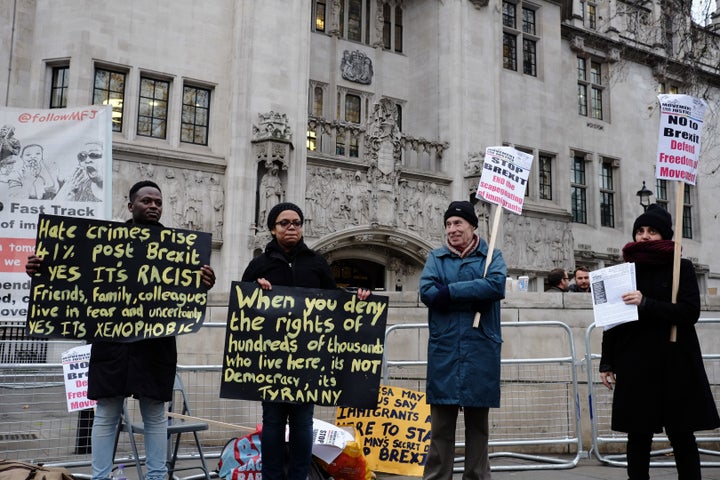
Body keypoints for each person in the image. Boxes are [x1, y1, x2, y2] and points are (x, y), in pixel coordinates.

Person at [25, 180, 217, 480]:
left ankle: (155, 476)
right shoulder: (104, 242)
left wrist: (204, 281)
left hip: (156, 344)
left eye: (158, 202)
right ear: (131, 206)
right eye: (146, 201)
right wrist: (40, 269)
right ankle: (100, 477)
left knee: (155, 414)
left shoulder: (180, 250)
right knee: (106, 413)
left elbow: (189, 294)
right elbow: (71, 270)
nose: (153, 206)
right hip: (112, 342)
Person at [241, 201, 370, 480]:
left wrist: (358, 299)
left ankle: (300, 476)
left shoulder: (317, 263)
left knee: (302, 424)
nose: (291, 228)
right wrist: (254, 289)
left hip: (307, 361)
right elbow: (243, 307)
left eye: (296, 223)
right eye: (284, 223)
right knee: (273, 424)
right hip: (271, 361)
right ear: (272, 229)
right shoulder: (258, 265)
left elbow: (335, 304)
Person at [599, 204, 720, 480]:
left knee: (681, 435)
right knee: (638, 436)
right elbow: (612, 320)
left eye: (652, 231)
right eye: (640, 230)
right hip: (636, 363)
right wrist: (607, 361)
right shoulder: (623, 270)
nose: (644, 236)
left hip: (675, 362)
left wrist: (646, 303)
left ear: (664, 235)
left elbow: (690, 312)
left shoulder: (682, 268)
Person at [419, 200, 507, 480]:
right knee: (440, 428)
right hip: (445, 349)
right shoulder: (436, 257)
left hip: (480, 349)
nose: (452, 229)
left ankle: (477, 476)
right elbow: (427, 292)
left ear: (472, 226)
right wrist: (469, 293)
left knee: (478, 428)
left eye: (457, 223)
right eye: (448, 224)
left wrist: (451, 292)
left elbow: (495, 286)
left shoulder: (492, 255)